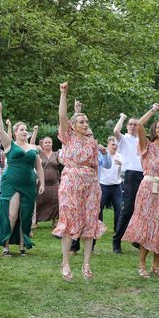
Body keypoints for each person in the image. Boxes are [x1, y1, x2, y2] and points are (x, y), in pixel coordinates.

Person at [52, 84, 107, 281]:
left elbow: (95, 166)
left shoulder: (92, 143)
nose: (85, 124)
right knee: (68, 220)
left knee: (89, 221)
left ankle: (86, 263)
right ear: (73, 126)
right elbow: (62, 116)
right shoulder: (68, 138)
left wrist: (97, 185)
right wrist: (63, 93)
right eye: (81, 122)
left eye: (86, 122)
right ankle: (65, 262)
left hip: (91, 185)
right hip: (70, 182)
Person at [122, 104, 159, 278]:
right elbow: (139, 125)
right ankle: (142, 264)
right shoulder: (146, 145)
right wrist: (153, 110)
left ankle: (156, 267)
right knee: (148, 226)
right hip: (148, 189)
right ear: (154, 130)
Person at [0, 103, 45, 256]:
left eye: (25, 130)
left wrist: (42, 182)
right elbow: (0, 130)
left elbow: (39, 166)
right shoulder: (10, 145)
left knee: (26, 215)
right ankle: (6, 246)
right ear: (15, 133)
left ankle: (22, 247)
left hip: (29, 183)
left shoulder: (33, 148)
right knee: (12, 214)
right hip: (12, 183)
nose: (24, 132)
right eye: (21, 129)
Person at [111, 113, 143, 254]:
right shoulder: (124, 139)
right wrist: (122, 118)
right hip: (130, 176)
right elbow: (115, 131)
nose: (132, 126)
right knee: (128, 209)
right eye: (130, 124)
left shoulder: (142, 140)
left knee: (142, 210)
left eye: (135, 124)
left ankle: (137, 239)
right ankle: (117, 240)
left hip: (144, 176)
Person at [34, 136, 60, 227]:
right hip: (41, 183)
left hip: (54, 183)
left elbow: (62, 162)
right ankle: (35, 220)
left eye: (49, 142)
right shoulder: (39, 154)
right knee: (39, 201)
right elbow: (31, 145)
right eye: (46, 142)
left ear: (52, 143)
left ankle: (55, 220)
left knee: (56, 201)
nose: (48, 144)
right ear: (42, 144)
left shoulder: (57, 154)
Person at [99, 136, 124, 232]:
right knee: (99, 208)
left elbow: (125, 170)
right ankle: (100, 228)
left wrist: (122, 164)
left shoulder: (120, 156)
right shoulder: (102, 155)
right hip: (103, 185)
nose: (115, 146)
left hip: (116, 186)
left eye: (116, 145)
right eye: (113, 144)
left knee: (119, 208)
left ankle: (117, 229)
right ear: (108, 145)